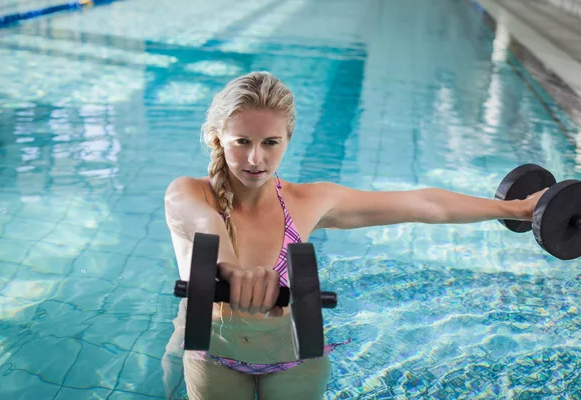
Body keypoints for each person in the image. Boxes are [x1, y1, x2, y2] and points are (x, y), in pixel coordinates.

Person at [161, 71, 545, 400]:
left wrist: (517, 209)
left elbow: (422, 204)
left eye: (270, 143)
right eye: (242, 141)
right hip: (213, 357)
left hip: (292, 360)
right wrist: (232, 269)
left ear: (288, 140)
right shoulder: (187, 193)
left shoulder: (308, 201)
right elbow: (206, 226)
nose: (255, 159)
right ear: (217, 140)